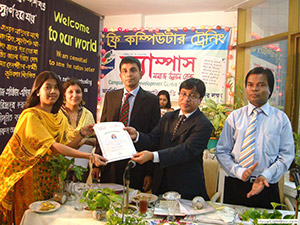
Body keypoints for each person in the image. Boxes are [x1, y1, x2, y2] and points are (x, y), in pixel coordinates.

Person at [0, 71, 107, 225]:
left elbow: (65, 147)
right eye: (47, 87)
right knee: (30, 217)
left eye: (56, 87)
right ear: (38, 91)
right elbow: (55, 147)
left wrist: (81, 134)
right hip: (28, 175)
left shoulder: (58, 117)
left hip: (49, 175)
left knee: (48, 215)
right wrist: (89, 157)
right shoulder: (31, 116)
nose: (52, 91)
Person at [215, 67, 294, 209]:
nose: (254, 89)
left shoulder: (281, 119)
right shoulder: (235, 117)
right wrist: (239, 171)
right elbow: (222, 151)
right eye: (250, 85)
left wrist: (266, 175)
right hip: (235, 184)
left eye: (261, 85)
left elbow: (286, 155)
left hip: (267, 186)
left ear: (270, 89)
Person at [126, 78, 213, 200]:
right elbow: (153, 139)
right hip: (161, 183)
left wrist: (152, 156)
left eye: (192, 96)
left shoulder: (204, 124)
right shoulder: (168, 117)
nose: (186, 99)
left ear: (200, 99)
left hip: (186, 188)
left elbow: (185, 151)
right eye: (183, 94)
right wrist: (137, 136)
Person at [92, 56, 160, 191]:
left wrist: (149, 172)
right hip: (110, 163)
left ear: (141, 74)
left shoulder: (151, 100)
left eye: (133, 70)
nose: (129, 74)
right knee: (109, 201)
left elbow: (155, 138)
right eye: (125, 71)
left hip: (136, 163)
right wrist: (97, 165)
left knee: (132, 206)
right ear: (120, 75)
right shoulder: (110, 97)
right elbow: (103, 132)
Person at [61, 78, 96, 182]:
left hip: (82, 165)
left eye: (78, 92)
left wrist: (85, 141)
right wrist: (79, 138)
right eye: (70, 92)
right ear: (64, 95)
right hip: (60, 165)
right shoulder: (57, 114)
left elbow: (95, 140)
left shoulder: (87, 114)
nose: (75, 95)